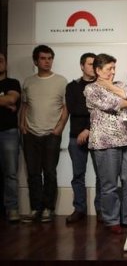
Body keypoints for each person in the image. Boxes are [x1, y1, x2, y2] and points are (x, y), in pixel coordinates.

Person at [84, 53, 127, 234]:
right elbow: (114, 104)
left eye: (114, 68)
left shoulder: (120, 85)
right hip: (105, 142)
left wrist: (113, 88)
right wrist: (126, 101)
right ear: (98, 70)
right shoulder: (90, 89)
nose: (113, 72)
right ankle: (111, 220)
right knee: (109, 184)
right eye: (109, 69)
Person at [20, 45, 68, 223]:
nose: (47, 61)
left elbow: (65, 107)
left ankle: (49, 208)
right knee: (33, 173)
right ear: (35, 61)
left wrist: (59, 128)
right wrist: (22, 125)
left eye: (49, 58)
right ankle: (35, 208)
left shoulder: (62, 81)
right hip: (30, 133)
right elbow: (24, 106)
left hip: (51, 134)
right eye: (43, 58)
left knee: (49, 172)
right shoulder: (28, 81)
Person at [65, 53, 102, 224]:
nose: (93, 67)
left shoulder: (102, 85)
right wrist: (89, 110)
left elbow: (100, 111)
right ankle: (79, 209)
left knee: (102, 175)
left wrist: (88, 128)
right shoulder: (72, 86)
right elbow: (74, 108)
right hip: (75, 136)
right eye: (89, 64)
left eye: (95, 64)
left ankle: (101, 210)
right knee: (77, 175)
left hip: (98, 135)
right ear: (82, 66)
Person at [0, 52, 21, 222]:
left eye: (1, 60)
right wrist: (4, 101)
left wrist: (9, 100)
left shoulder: (13, 83)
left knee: (11, 173)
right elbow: (7, 101)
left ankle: (12, 208)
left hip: (9, 132)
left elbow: (12, 98)